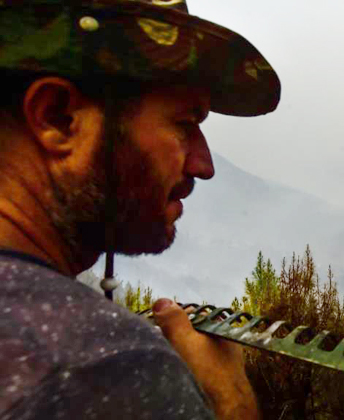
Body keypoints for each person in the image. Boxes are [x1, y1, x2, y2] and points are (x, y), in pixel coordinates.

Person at [0, 1, 280, 419]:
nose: (204, 165)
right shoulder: (105, 366)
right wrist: (229, 398)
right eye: (185, 123)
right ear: (58, 117)